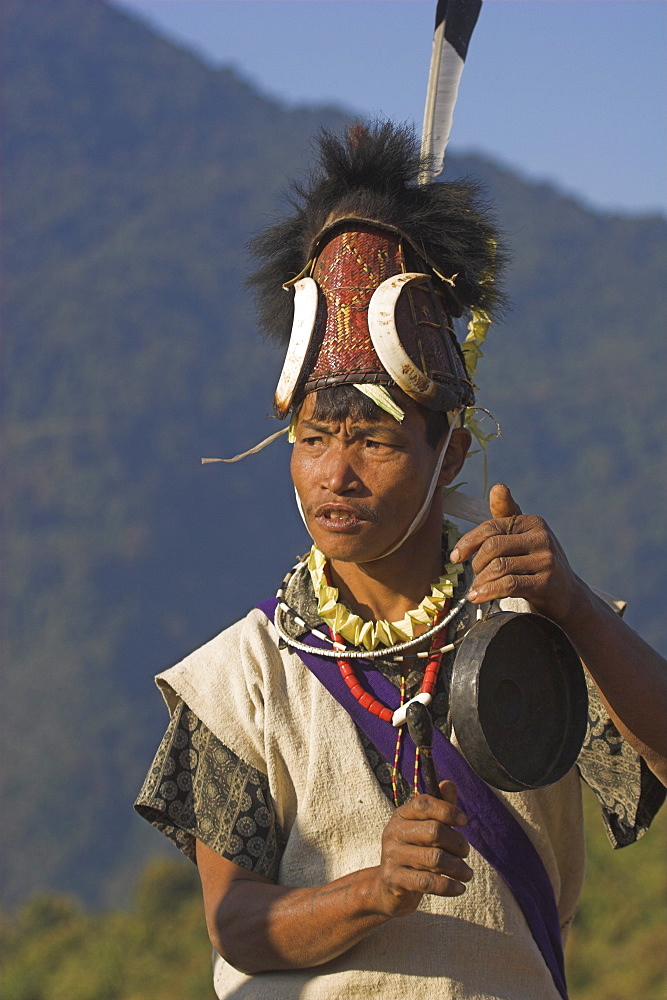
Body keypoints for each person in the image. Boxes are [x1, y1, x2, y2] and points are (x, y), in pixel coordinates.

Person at [135, 124, 666, 1000]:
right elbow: (234, 925)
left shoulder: (535, 634)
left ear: (448, 457)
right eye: (311, 440)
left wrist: (571, 607)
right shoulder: (241, 680)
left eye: (373, 441)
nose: (333, 474)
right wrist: (373, 891)